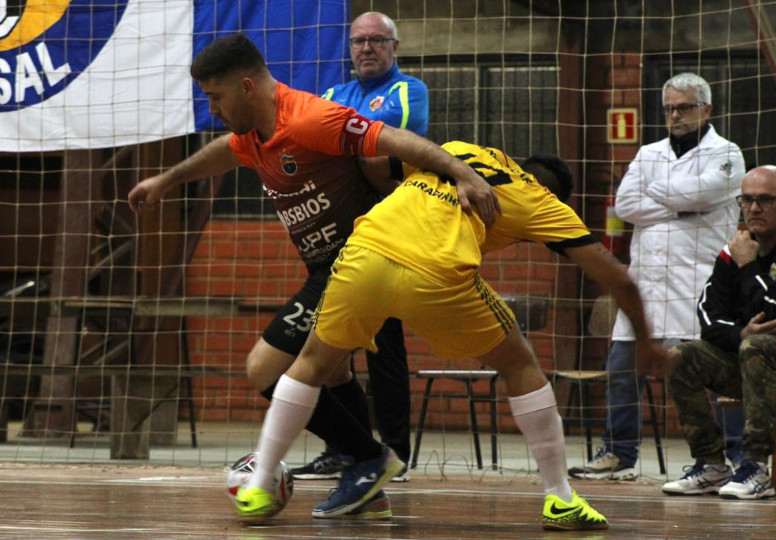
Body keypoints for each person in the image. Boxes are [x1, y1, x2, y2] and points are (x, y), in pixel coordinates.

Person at [127, 33, 498, 511]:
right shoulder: (251, 135)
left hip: (358, 261)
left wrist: (463, 173)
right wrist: (168, 178)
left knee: (264, 368)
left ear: (245, 87)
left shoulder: (309, 117)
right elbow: (227, 149)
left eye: (215, 97)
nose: (212, 108)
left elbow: (393, 139)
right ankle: (365, 477)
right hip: (328, 266)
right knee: (334, 371)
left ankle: (368, 458)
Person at [235, 140, 667, 531]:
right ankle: (560, 498)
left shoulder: (462, 149)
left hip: (366, 249)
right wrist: (646, 343)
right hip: (437, 274)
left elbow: (370, 164)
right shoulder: (541, 202)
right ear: (553, 190)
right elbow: (620, 281)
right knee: (520, 364)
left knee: (310, 364)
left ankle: (259, 485)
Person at [569, 73, 747, 480]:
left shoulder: (728, 153)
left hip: (700, 284)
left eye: (683, 107)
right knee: (620, 371)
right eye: (668, 108)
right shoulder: (648, 152)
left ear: (706, 109)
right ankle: (619, 453)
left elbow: (699, 195)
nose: (675, 115)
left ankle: (734, 458)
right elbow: (628, 205)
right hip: (646, 283)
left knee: (716, 377)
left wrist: (672, 195)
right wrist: (682, 205)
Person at [292, 11, 429, 482]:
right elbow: (315, 145)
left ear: (394, 46)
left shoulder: (409, 89)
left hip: (389, 233)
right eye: (358, 41)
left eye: (376, 40)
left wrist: (341, 140)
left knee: (384, 343)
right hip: (339, 235)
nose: (366, 49)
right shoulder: (334, 93)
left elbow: (382, 145)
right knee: (329, 345)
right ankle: (344, 448)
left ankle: (395, 451)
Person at [659, 166, 776, 500]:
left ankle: (755, 466)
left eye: (765, 200)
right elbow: (709, 320)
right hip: (749, 364)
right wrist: (740, 334)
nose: (754, 209)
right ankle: (711, 464)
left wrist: (750, 268)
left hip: (769, 364)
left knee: (756, 345)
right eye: (747, 200)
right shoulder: (734, 252)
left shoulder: (743, 257)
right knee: (679, 356)